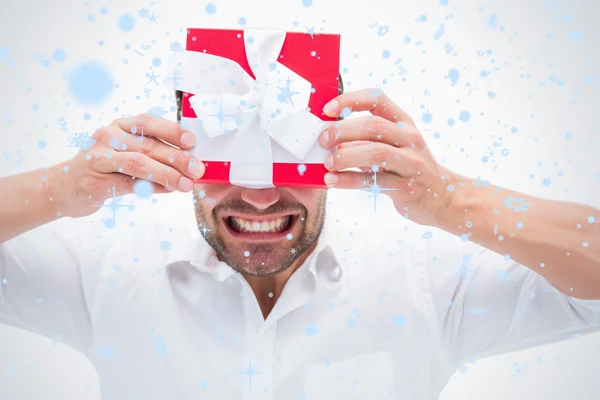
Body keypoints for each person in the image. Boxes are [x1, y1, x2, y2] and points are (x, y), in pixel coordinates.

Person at [1, 87, 599, 400]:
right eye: (231, 162)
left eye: (294, 164)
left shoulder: (422, 277)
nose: (260, 200)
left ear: (338, 157)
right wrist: (57, 189)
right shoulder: (109, 270)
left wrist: (450, 200)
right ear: (184, 156)